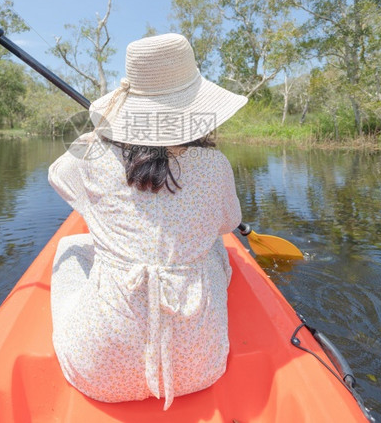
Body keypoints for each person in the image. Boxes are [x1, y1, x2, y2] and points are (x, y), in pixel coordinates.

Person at [48, 32, 248, 410]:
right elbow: (228, 223)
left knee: (69, 245)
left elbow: (59, 177)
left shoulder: (92, 154)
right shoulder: (215, 165)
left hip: (99, 372)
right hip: (200, 369)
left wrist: (97, 136)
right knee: (214, 248)